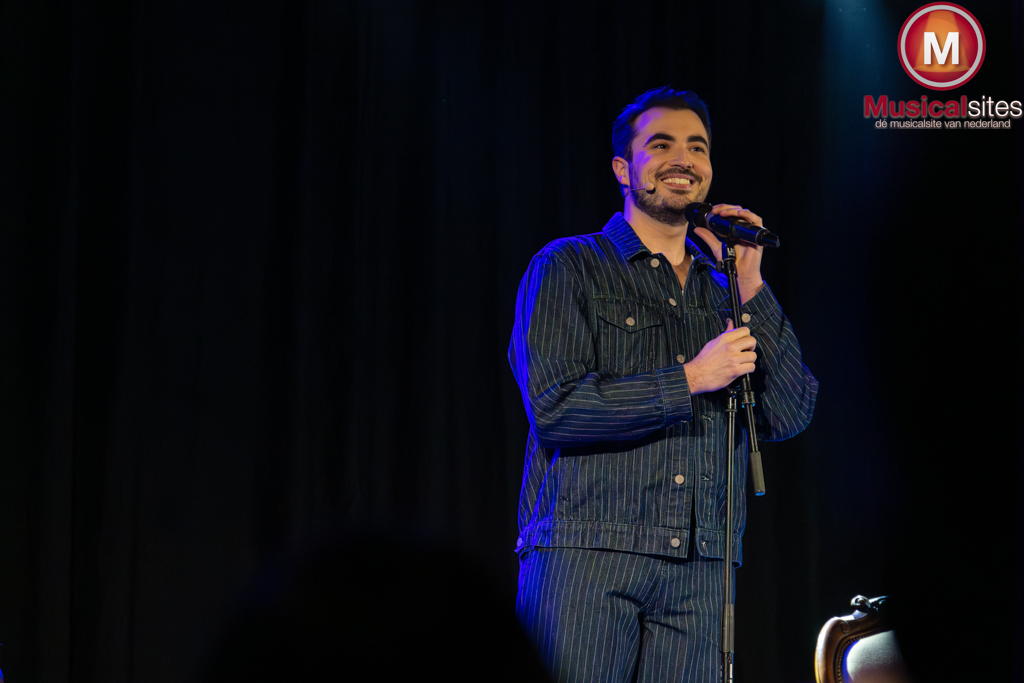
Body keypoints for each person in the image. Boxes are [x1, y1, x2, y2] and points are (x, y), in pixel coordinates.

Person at [508, 86, 818, 683]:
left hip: (703, 565)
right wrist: (691, 378)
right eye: (662, 144)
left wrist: (750, 285)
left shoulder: (725, 289)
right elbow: (556, 407)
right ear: (623, 168)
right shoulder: (569, 265)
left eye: (697, 147)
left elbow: (790, 412)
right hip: (588, 553)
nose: (684, 159)